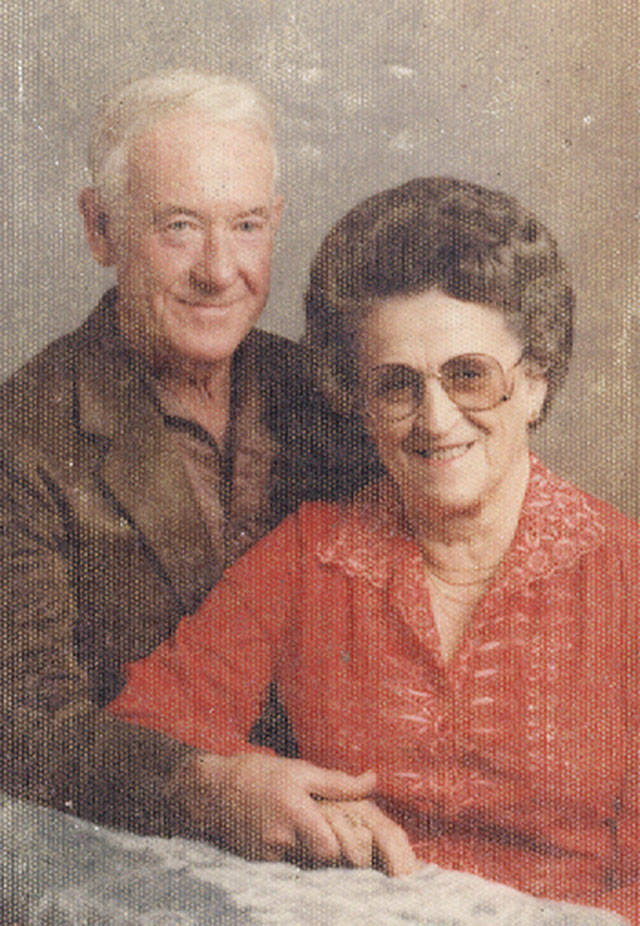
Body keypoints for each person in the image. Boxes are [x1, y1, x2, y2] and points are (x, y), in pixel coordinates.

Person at [108, 177, 638, 920]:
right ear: (357, 402)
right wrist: (239, 782)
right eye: (395, 386)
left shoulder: (626, 580)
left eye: (469, 376)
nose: (435, 419)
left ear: (536, 383)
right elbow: (144, 726)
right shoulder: (310, 554)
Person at [0, 70, 375, 834]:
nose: (218, 270)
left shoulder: (332, 398)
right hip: (136, 848)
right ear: (99, 227)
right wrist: (206, 789)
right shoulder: (23, 435)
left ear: (276, 222)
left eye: (246, 226)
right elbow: (25, 726)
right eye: (179, 226)